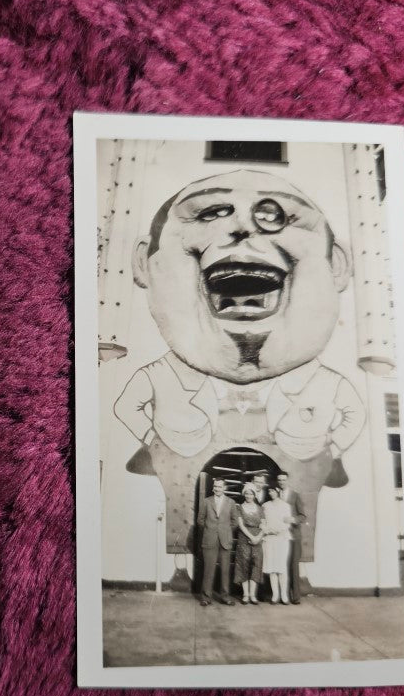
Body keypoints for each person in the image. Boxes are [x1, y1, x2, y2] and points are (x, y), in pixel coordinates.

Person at [113, 169, 367, 561]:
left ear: (337, 264)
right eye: (211, 213)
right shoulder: (157, 375)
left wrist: (332, 446)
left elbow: (353, 413)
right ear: (143, 262)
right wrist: (153, 441)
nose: (245, 226)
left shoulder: (328, 383)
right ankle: (182, 563)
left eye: (281, 215)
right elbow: (125, 405)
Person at [196, 478, 237, 606]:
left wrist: (225, 531)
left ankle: (225, 596)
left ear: (225, 488)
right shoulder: (206, 501)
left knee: (225, 570)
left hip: (225, 540)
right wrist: (210, 530)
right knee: (209, 569)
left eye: (220, 487)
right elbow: (200, 520)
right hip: (210, 539)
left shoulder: (231, 502)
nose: (217, 489)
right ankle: (205, 597)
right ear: (213, 487)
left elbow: (235, 521)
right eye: (215, 486)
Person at [234, 483, 266, 605]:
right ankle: (245, 595)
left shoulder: (260, 508)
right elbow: (241, 525)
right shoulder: (239, 508)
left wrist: (258, 537)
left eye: (251, 493)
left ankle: (253, 595)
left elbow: (263, 524)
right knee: (244, 565)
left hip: (258, 540)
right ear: (244, 494)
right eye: (246, 493)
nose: (248, 495)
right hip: (244, 539)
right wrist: (252, 536)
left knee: (256, 566)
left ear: (254, 494)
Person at [277, 472, 306, 604]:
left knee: (293, 565)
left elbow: (303, 516)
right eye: (279, 480)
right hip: (280, 537)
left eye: (284, 480)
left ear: (287, 481)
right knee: (282, 565)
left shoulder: (295, 495)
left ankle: (295, 597)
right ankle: (284, 595)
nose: (282, 482)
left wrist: (293, 519)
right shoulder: (276, 495)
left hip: (293, 536)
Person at [261, 486, 294, 604]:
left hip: (282, 538)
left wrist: (278, 530)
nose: (271, 493)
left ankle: (284, 595)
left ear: (278, 491)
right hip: (269, 539)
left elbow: (288, 523)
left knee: (281, 567)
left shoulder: (286, 506)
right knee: (271, 567)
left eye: (274, 490)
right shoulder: (265, 506)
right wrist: (268, 530)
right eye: (269, 491)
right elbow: (262, 523)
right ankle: (275, 595)